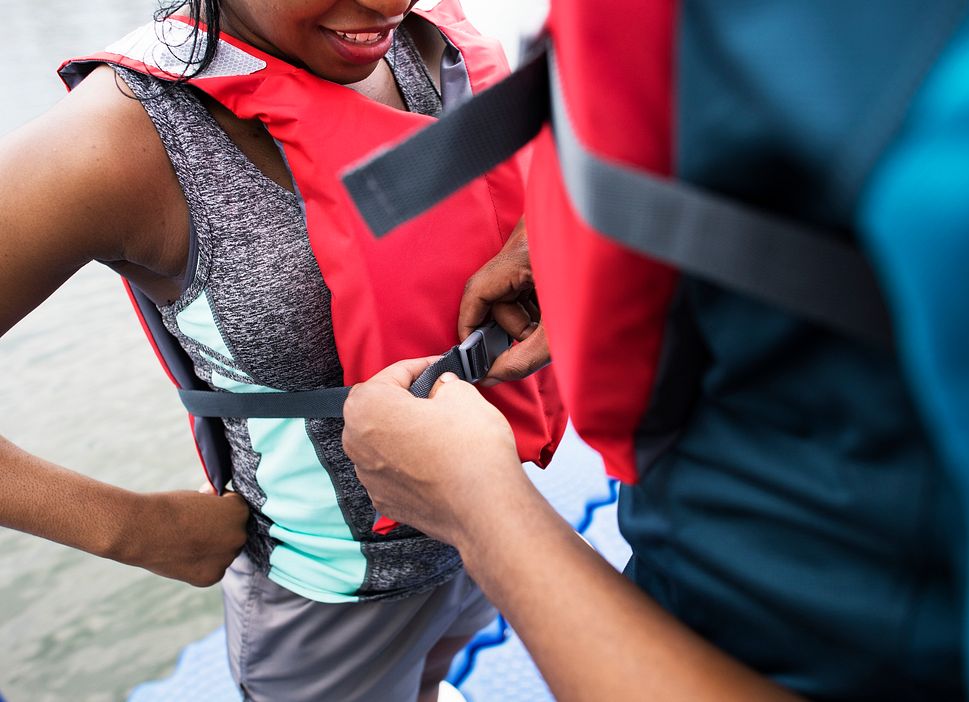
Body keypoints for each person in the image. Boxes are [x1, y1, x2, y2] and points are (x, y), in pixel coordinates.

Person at [342, 0, 969, 699]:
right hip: (704, 528)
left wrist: (481, 513)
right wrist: (604, 224)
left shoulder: (959, 105)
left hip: (827, 634)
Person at [0, 0, 564, 700]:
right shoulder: (120, 139)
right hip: (330, 602)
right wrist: (137, 531)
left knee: (431, 679)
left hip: (491, 533)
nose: (390, 3)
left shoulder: (432, 44)